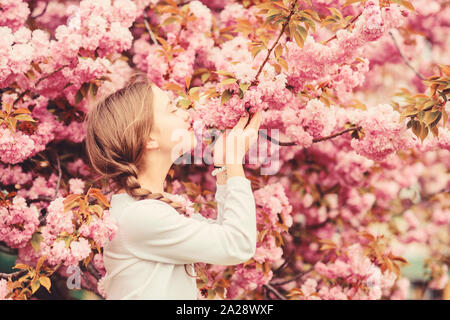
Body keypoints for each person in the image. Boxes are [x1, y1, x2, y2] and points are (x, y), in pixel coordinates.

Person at [84, 74, 262, 299]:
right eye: (171, 109)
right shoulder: (140, 216)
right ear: (149, 139)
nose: (185, 113)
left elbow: (222, 236)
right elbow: (238, 245)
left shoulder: (146, 208)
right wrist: (234, 160)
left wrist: (224, 164)